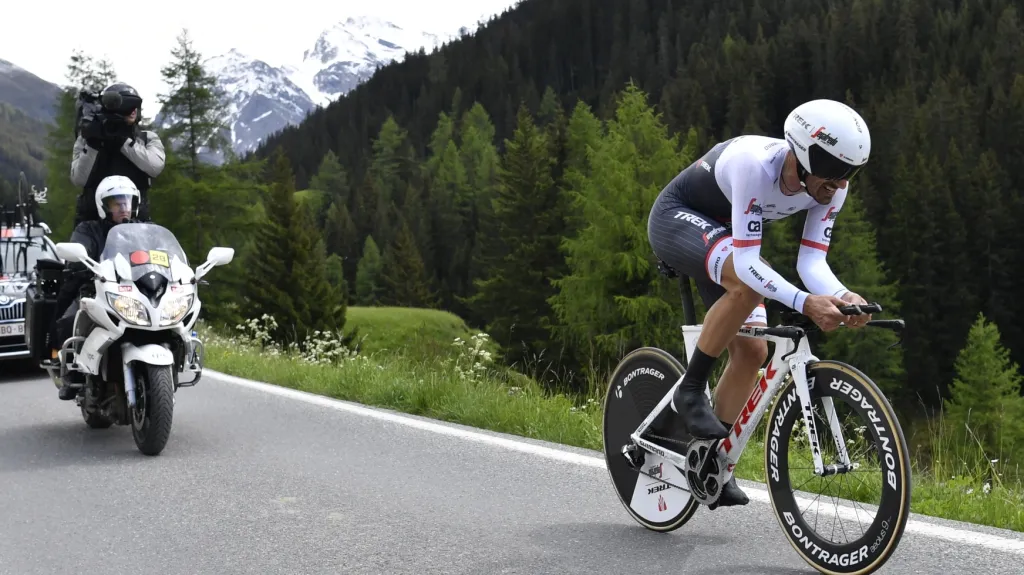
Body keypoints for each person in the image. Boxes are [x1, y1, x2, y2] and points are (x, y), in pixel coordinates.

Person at [646, 98, 872, 509]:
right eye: (836, 171)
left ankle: (710, 461)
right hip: (678, 217)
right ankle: (691, 389)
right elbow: (748, 264)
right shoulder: (754, 163)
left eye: (850, 174)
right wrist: (806, 304)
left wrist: (841, 296)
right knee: (748, 284)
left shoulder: (829, 187)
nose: (841, 184)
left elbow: (811, 261)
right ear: (805, 154)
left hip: (728, 237)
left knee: (752, 351)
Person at [46, 175, 142, 400]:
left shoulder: (143, 229)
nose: (123, 208)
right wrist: (81, 261)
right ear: (103, 206)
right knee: (69, 319)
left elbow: (159, 253)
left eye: (127, 202)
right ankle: (71, 373)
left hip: (134, 291)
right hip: (96, 287)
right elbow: (79, 254)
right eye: (116, 203)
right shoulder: (89, 229)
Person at [70, 82, 165, 226]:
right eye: (127, 106)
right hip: (93, 222)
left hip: (136, 221)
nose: (133, 110)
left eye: (135, 106)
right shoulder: (88, 139)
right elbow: (79, 178)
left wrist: (122, 141)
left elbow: (154, 166)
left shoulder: (147, 138)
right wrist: (93, 144)